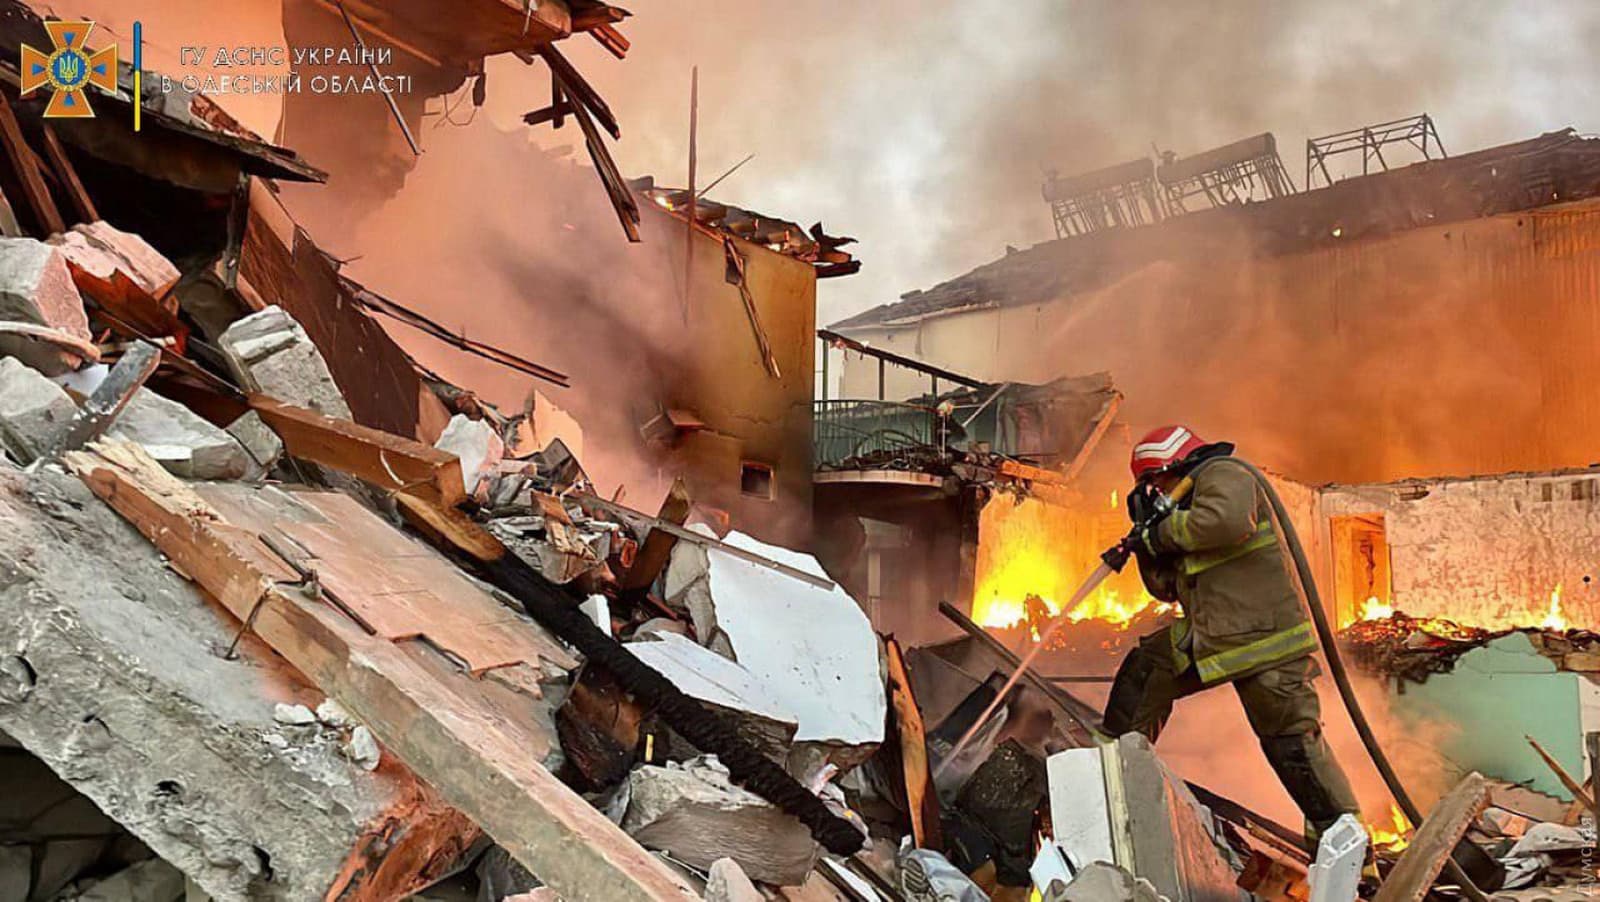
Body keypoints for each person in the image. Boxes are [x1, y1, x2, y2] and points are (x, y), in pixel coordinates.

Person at [1101, 424, 1360, 839]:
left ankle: (1347, 849)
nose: (1157, 491)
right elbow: (1166, 590)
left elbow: (1227, 522)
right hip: (1217, 638)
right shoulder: (1184, 513)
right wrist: (1144, 544)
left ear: (1173, 465)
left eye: (1155, 481)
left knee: (1292, 749)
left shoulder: (1224, 473)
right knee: (1147, 668)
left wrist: (1161, 533)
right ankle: (1104, 782)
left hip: (1265, 642)